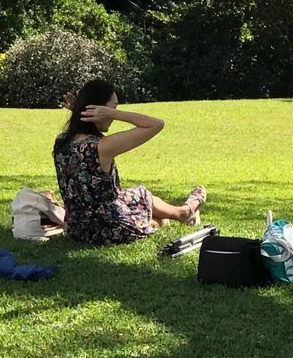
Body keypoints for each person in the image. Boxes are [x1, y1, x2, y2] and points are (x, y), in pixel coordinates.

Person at [52, 78, 206, 246]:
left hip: (77, 229)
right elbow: (156, 124)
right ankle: (182, 213)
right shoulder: (102, 146)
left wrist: (80, 111)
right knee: (142, 197)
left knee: (138, 194)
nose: (113, 112)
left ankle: (176, 214)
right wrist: (113, 114)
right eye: (114, 107)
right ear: (99, 109)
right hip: (110, 230)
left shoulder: (62, 142)